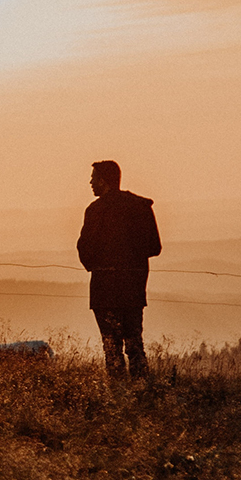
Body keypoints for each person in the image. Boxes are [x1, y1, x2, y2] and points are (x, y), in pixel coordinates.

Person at [77, 160, 161, 380]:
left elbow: (85, 249)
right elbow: (154, 247)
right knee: (134, 343)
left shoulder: (95, 211)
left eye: (94, 178)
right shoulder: (141, 207)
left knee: (111, 346)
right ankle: (141, 387)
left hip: (104, 289)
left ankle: (118, 390)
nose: (90, 183)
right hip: (134, 287)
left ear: (104, 181)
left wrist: (98, 265)